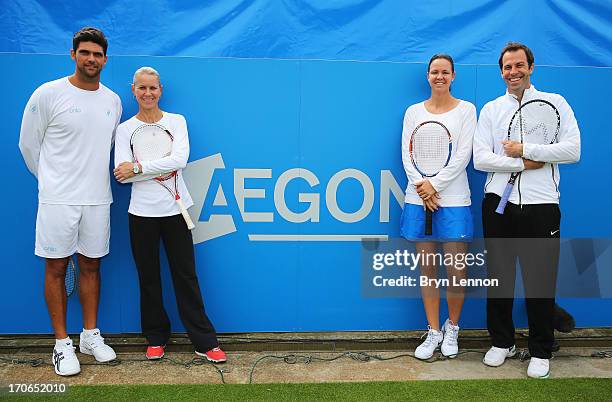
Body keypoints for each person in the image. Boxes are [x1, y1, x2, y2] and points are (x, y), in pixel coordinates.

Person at [473, 42, 580, 378]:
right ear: (501, 72)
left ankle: (540, 349)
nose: (513, 72)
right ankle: (502, 342)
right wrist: (525, 162)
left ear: (531, 67)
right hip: (497, 205)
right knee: (500, 278)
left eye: (519, 65)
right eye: (507, 67)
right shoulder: (491, 109)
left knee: (540, 281)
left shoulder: (556, 103)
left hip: (542, 206)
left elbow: (573, 150)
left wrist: (527, 148)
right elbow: (481, 158)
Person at [18, 27, 121, 376]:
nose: (91, 59)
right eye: (85, 53)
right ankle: (62, 344)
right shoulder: (48, 94)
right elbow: (28, 146)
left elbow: (104, 148)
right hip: (57, 200)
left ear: (105, 59)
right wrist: (51, 182)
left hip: (97, 199)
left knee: (92, 266)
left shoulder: (112, 100)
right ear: (73, 54)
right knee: (56, 268)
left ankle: (90, 336)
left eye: (97, 54)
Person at [113, 67, 226, 363]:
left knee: (186, 276)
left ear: (160, 90)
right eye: (142, 88)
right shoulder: (124, 129)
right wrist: (156, 166)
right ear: (133, 90)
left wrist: (138, 167)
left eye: (153, 88)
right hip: (140, 214)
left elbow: (180, 160)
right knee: (148, 278)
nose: (147, 93)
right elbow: (120, 175)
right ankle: (155, 338)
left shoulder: (177, 122)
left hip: (176, 211)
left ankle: (204, 340)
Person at [400, 54, 476, 360]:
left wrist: (436, 186)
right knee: (428, 270)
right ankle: (433, 331)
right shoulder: (412, 112)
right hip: (418, 198)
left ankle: (452, 327)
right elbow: (408, 154)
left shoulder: (467, 110)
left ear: (453, 76)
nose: (439, 76)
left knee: (457, 271)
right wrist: (423, 188)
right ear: (428, 76)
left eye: (445, 72)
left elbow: (463, 154)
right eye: (434, 72)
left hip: (454, 200)